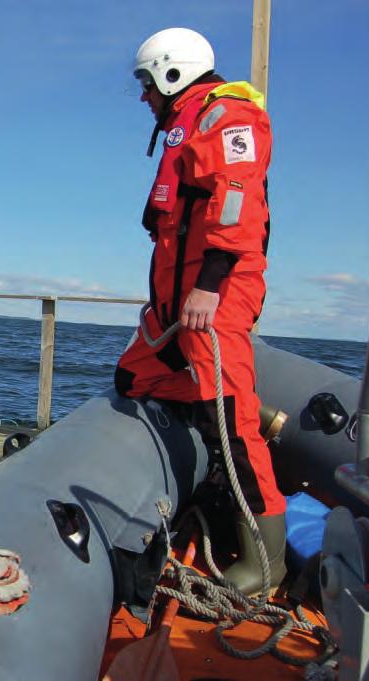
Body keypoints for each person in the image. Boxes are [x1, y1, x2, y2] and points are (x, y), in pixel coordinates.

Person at [113, 28, 285, 595]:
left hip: (215, 297)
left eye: (146, 83)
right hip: (173, 307)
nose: (143, 97)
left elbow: (236, 202)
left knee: (229, 418)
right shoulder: (187, 123)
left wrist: (208, 287)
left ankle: (265, 561)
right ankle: (236, 416)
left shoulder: (227, 119)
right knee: (134, 377)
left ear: (171, 72)